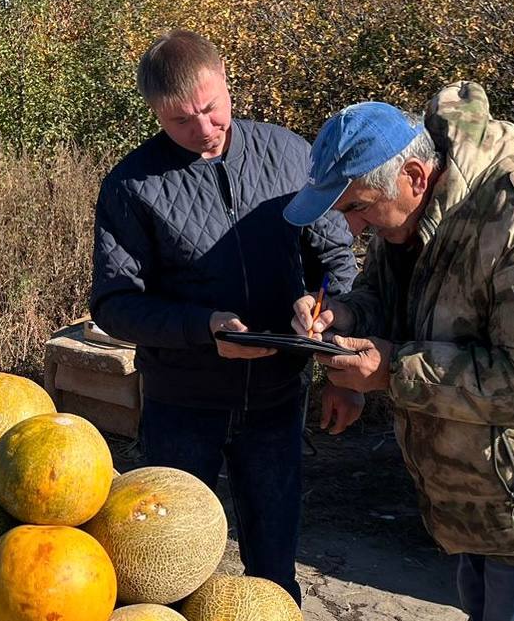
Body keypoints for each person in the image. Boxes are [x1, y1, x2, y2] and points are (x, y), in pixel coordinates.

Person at [284, 81, 514, 621]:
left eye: (357, 208)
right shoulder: (412, 214)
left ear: (414, 176)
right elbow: (387, 298)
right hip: (474, 495)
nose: (351, 227)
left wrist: (392, 372)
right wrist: (344, 316)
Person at [90, 30, 361, 603]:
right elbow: (115, 304)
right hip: (181, 404)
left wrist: (324, 311)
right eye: (181, 121)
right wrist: (205, 328)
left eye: (212, 108)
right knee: (165, 573)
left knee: (274, 565)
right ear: (155, 113)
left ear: (226, 83)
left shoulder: (289, 155)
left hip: (278, 398)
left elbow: (336, 257)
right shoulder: (130, 185)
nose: (204, 128)